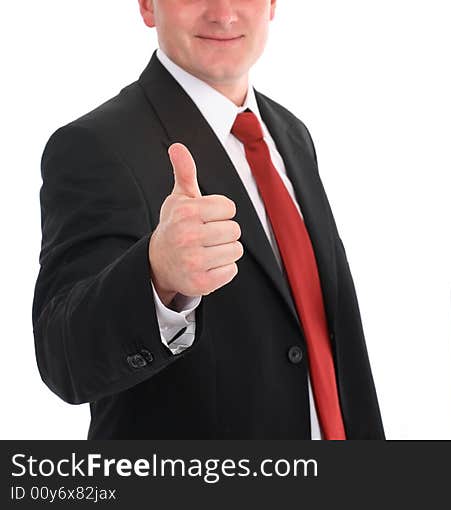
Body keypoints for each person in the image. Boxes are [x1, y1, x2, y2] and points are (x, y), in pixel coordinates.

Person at [32, 0, 383, 439]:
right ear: (147, 6)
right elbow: (62, 357)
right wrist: (155, 276)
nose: (223, 12)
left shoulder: (289, 133)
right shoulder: (95, 146)